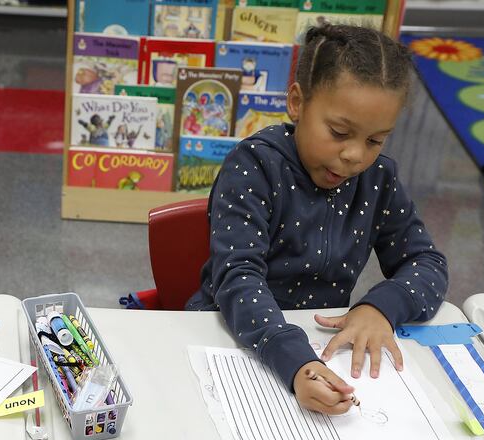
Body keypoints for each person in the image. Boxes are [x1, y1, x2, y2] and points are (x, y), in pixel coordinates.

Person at [186, 24, 448, 415]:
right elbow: (238, 277)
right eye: (339, 132)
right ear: (297, 102)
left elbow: (427, 264)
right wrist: (294, 360)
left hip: (319, 345)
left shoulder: (378, 179)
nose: (355, 156)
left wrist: (379, 309)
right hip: (230, 339)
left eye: (375, 140)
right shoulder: (255, 166)